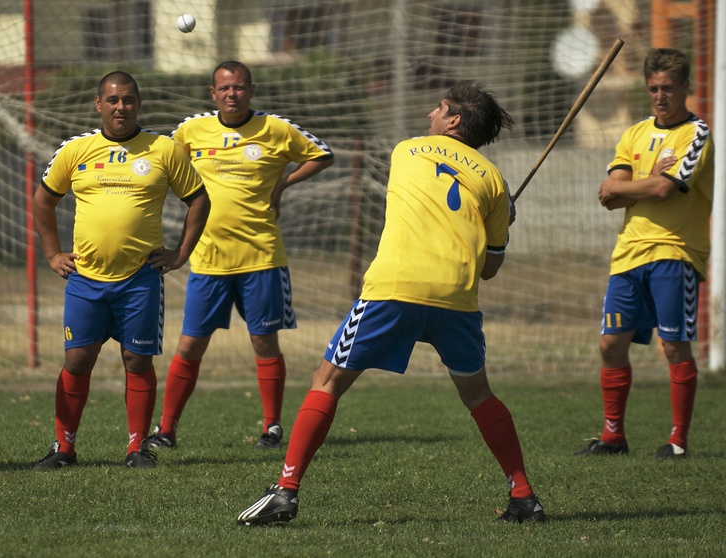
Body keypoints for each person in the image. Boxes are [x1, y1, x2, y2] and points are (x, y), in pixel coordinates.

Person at [237, 80, 546, 525]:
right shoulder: (494, 180)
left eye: (439, 109)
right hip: (457, 298)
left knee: (326, 380)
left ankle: (285, 490)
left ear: (454, 121)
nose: (430, 115)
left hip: (395, 288)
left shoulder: (409, 150)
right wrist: (504, 218)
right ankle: (523, 494)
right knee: (479, 394)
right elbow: (490, 268)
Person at [146, 60, 334, 451]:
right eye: (224, 89)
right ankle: (166, 429)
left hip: (261, 258)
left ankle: (272, 428)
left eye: (239, 87)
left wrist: (284, 183)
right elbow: (164, 164)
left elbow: (322, 154)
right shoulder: (191, 130)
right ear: (212, 94)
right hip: (208, 260)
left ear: (251, 90)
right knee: (189, 345)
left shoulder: (275, 129)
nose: (232, 94)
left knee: (264, 343)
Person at [31, 71, 210, 470]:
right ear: (98, 104)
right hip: (85, 280)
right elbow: (43, 201)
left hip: (140, 280)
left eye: (128, 100)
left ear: (138, 103)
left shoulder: (164, 150)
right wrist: (52, 253)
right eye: (112, 100)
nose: (120, 107)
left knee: (138, 361)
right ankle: (64, 448)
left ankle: (136, 448)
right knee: (77, 360)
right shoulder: (76, 150)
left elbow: (199, 201)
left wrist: (180, 253)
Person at [579, 48, 714, 459]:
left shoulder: (697, 134)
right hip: (628, 255)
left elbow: (662, 189)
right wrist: (643, 182)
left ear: (685, 88)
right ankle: (613, 437)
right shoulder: (634, 133)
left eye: (668, 88)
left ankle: (677, 442)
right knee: (610, 344)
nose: (660, 96)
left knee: (673, 347)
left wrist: (641, 184)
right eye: (654, 88)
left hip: (675, 252)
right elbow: (609, 194)